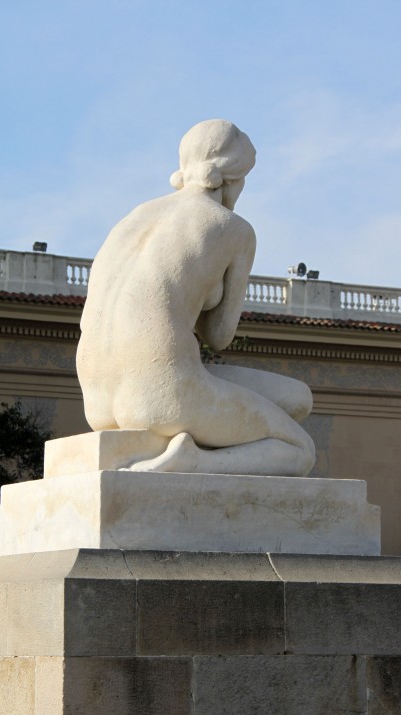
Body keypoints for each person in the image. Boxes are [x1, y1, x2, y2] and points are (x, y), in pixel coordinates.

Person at [76, 119, 315, 476]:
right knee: (298, 447)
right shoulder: (233, 228)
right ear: (234, 178)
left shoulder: (134, 218)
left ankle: (197, 442)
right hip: (161, 392)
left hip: (97, 399)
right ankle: (194, 459)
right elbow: (218, 336)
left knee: (297, 399)